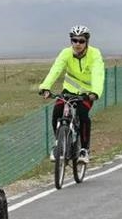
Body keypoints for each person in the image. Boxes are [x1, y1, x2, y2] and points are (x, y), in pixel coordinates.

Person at [38, 25, 104, 162]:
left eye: (81, 41)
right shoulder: (65, 53)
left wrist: (95, 92)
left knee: (83, 114)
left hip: (87, 92)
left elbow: (98, 73)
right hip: (69, 90)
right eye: (74, 40)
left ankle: (84, 150)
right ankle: (58, 144)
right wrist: (45, 87)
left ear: (87, 42)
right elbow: (55, 70)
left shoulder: (95, 54)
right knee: (57, 112)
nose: (77, 44)